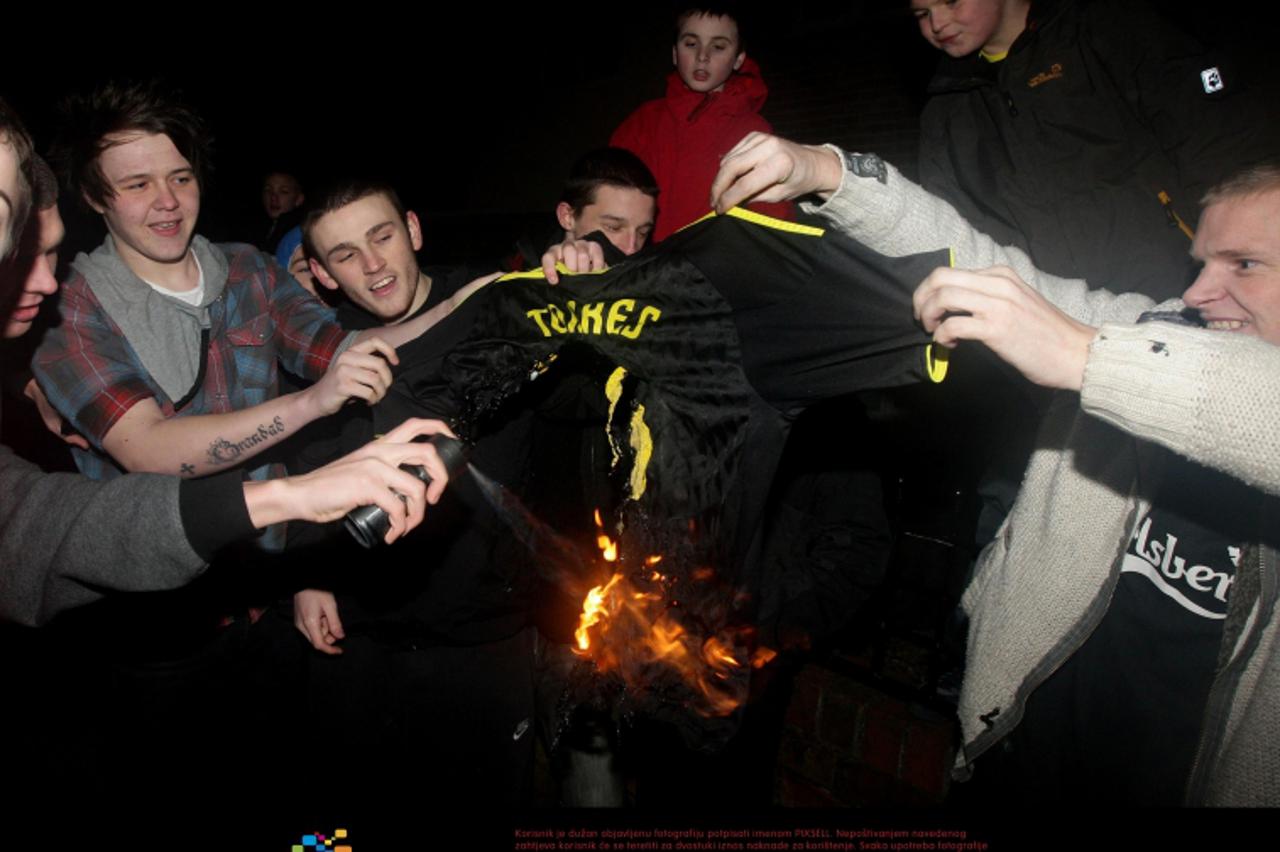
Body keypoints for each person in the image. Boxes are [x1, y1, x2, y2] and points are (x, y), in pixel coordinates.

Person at [710, 131, 1280, 805]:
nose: (1200, 292)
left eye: (1244, 265)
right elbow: (977, 263)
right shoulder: (1148, 330)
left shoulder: (1121, 351)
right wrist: (831, 174)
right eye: (1201, 263)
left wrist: (1085, 357)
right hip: (1016, 749)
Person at [0, 97, 453, 629]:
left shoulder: (248, 269)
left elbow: (344, 346)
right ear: (94, 196)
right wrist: (310, 403)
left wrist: (475, 299)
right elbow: (148, 449)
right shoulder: (70, 304)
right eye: (138, 184)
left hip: (267, 579)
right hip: (154, 614)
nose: (168, 201)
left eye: (181, 178)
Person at [286, 179, 535, 808]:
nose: (373, 265)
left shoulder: (497, 304)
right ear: (322, 273)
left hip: (483, 632)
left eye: (383, 236)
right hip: (361, 634)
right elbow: (305, 465)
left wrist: (584, 264)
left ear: (414, 231)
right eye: (345, 255)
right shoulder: (320, 348)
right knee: (329, 829)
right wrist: (307, 575)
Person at [908, 0, 1276, 301]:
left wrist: (1238, 262)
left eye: (950, 2)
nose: (937, 24)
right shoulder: (944, 109)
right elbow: (954, 225)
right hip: (1058, 317)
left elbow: (1218, 146)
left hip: (1182, 287)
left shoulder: (1108, 30)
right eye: (922, 14)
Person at [610, 3, 789, 243]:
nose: (702, 56)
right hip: (649, 260)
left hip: (719, 262)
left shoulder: (754, 131)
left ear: (738, 59)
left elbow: (772, 220)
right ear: (675, 54)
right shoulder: (643, 122)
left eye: (718, 47)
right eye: (691, 44)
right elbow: (605, 197)